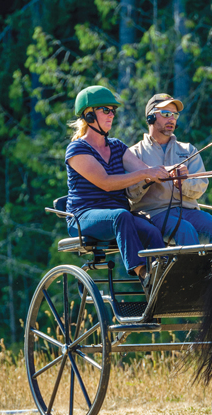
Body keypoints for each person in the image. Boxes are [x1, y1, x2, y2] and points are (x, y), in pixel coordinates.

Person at [65, 85, 171, 295]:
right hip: (84, 216)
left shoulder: (117, 146)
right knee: (121, 215)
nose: (111, 115)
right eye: (106, 110)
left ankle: (163, 281)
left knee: (151, 230)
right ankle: (143, 274)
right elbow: (106, 182)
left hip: (118, 216)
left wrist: (169, 172)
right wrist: (145, 174)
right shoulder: (77, 150)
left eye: (113, 110)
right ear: (88, 115)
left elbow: (144, 170)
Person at [126, 93, 212, 246]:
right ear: (151, 117)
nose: (172, 119)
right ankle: (193, 270)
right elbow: (130, 194)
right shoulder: (134, 154)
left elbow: (201, 187)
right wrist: (148, 178)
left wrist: (182, 183)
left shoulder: (188, 150)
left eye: (175, 115)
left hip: (190, 211)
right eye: (166, 114)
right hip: (153, 214)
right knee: (184, 229)